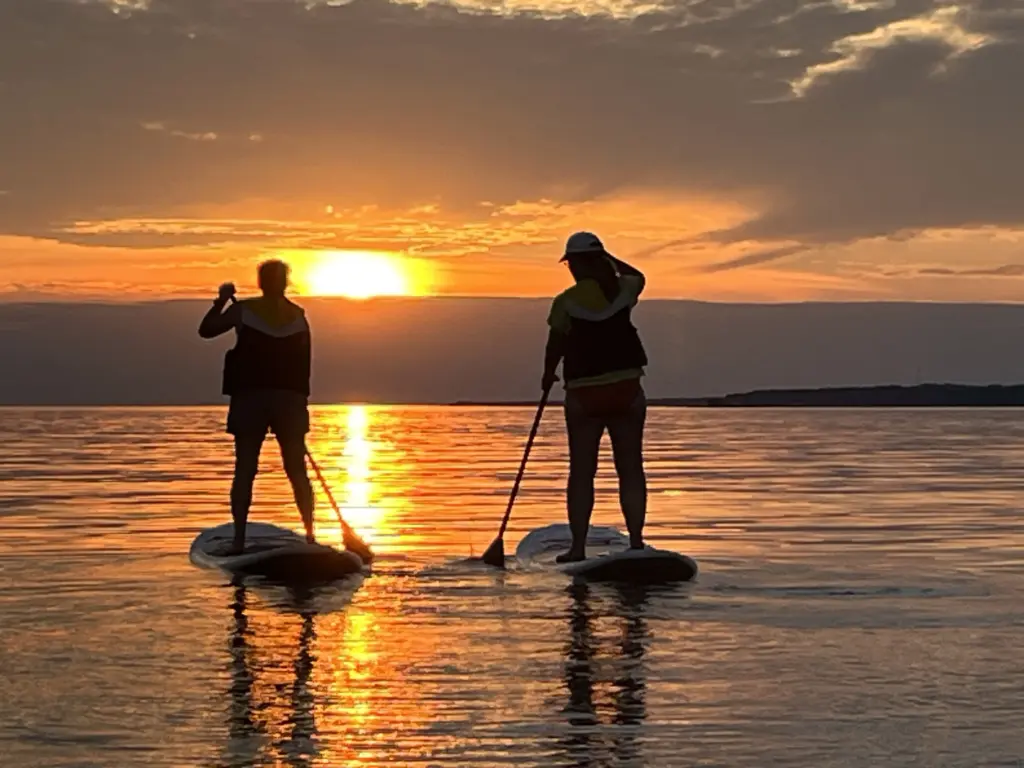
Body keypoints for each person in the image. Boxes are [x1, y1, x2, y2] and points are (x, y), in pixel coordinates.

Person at [542, 232, 649, 563]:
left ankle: (577, 548)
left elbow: (555, 345)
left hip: (584, 396)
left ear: (575, 264)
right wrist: (607, 258)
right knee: (630, 468)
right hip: (627, 392)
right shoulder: (624, 291)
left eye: (571, 263)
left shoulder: (566, 301)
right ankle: (635, 541)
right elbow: (638, 276)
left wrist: (547, 377)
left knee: (582, 470)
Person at [198, 259, 315, 555]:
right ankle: (311, 535)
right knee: (296, 470)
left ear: (262, 282)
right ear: (285, 283)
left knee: (246, 468)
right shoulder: (299, 317)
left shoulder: (243, 310)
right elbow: (304, 366)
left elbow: (207, 330)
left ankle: (239, 539)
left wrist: (221, 301)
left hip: (252, 399)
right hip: (289, 401)